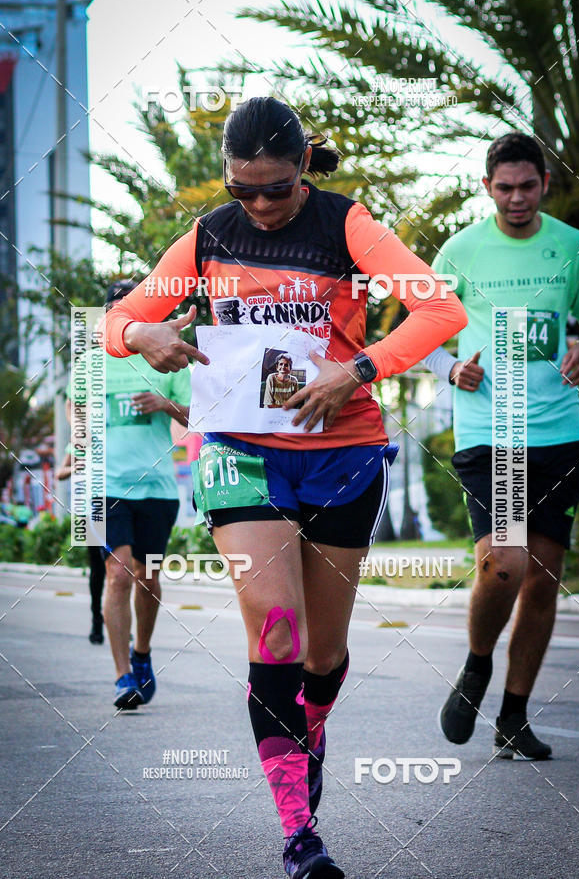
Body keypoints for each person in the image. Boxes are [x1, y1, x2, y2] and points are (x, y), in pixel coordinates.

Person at [104, 97, 467, 879]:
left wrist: (358, 368)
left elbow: (440, 307)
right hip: (239, 449)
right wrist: (147, 332)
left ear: (303, 167)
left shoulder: (347, 225)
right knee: (275, 629)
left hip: (342, 451)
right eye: (242, 190)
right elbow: (125, 318)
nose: (260, 206)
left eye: (274, 188)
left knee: (323, 657)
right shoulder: (210, 236)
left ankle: (311, 724)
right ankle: (300, 834)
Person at [423, 132, 579, 760]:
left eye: (528, 186)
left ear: (545, 185)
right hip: (489, 433)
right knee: (506, 562)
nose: (517, 197)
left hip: (559, 436)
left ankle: (514, 718)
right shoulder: (460, 251)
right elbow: (421, 334)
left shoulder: (573, 247)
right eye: (505, 187)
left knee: (543, 580)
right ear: (486, 188)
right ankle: (476, 668)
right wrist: (451, 369)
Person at [87, 280, 191, 709]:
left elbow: (199, 414)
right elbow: (80, 416)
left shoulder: (169, 360)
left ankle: (142, 654)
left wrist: (165, 405)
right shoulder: (91, 363)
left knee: (148, 577)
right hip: (103, 485)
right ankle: (122, 677)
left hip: (158, 486)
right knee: (118, 572)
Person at [55, 444, 106, 644]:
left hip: (119, 506)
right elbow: (60, 473)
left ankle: (116, 617)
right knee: (98, 568)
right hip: (92, 510)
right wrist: (77, 466)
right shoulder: (81, 440)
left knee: (120, 568)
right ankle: (97, 620)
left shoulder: (117, 434)